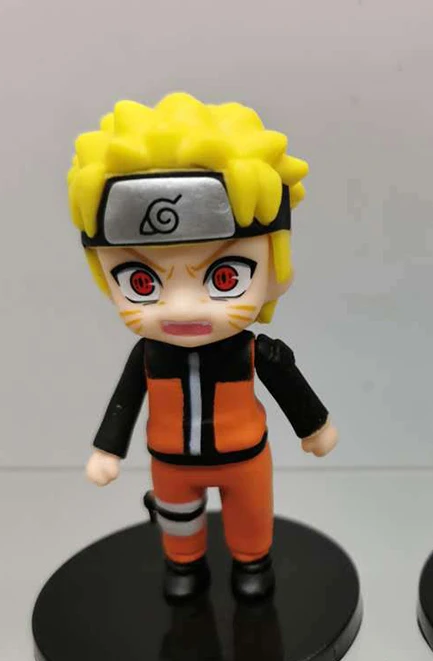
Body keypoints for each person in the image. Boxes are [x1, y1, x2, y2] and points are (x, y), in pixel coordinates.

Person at [68, 93, 338, 601]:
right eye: (142, 283)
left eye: (226, 276)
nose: (182, 307)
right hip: (171, 460)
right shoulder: (149, 357)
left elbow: (289, 386)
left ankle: (253, 562)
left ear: (276, 269)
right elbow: (124, 401)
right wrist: (108, 448)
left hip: (244, 456)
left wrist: (315, 426)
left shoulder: (253, 352)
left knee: (251, 514)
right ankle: (184, 565)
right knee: (177, 519)